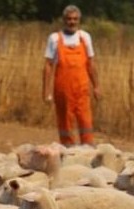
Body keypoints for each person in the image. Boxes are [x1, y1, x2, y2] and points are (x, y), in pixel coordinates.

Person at [42, 5, 101, 147]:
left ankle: (87, 151)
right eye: (69, 19)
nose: (72, 22)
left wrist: (97, 86)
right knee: (65, 124)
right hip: (62, 90)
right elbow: (48, 66)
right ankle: (68, 153)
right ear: (64, 20)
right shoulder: (54, 38)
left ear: (79, 20)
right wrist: (46, 91)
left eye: (75, 19)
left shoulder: (85, 37)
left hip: (81, 90)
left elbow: (91, 64)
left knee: (85, 122)